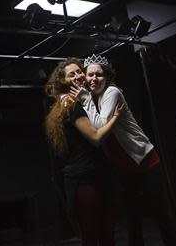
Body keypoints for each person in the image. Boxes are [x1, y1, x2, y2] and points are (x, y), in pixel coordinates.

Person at [68, 54, 176, 246]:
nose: (94, 79)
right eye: (90, 75)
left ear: (107, 77)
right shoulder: (92, 97)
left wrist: (85, 97)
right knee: (133, 218)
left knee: (160, 214)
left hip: (145, 161)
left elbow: (98, 126)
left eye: (99, 75)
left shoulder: (112, 92)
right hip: (125, 167)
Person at [45, 58, 123, 246]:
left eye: (80, 71)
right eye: (72, 74)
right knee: (94, 235)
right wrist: (115, 118)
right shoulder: (72, 105)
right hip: (84, 179)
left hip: (91, 175)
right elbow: (96, 138)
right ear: (63, 81)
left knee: (103, 233)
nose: (79, 75)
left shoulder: (73, 101)